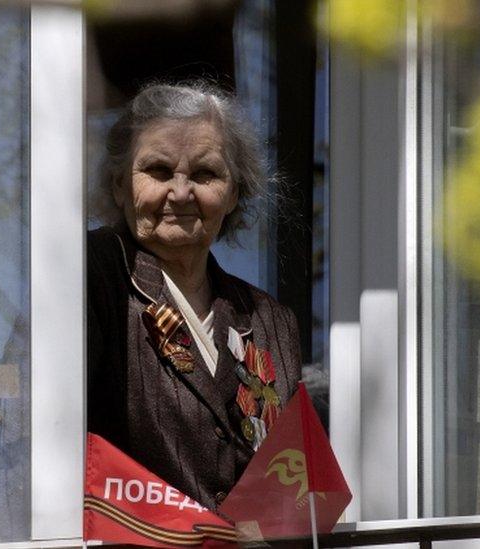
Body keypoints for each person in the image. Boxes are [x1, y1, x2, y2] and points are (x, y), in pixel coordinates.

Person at [88, 82, 302, 511]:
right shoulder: (89, 276)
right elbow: (25, 437)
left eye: (205, 174)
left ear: (234, 193)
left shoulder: (270, 319)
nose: (181, 193)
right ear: (118, 186)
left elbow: (292, 481)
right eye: (159, 171)